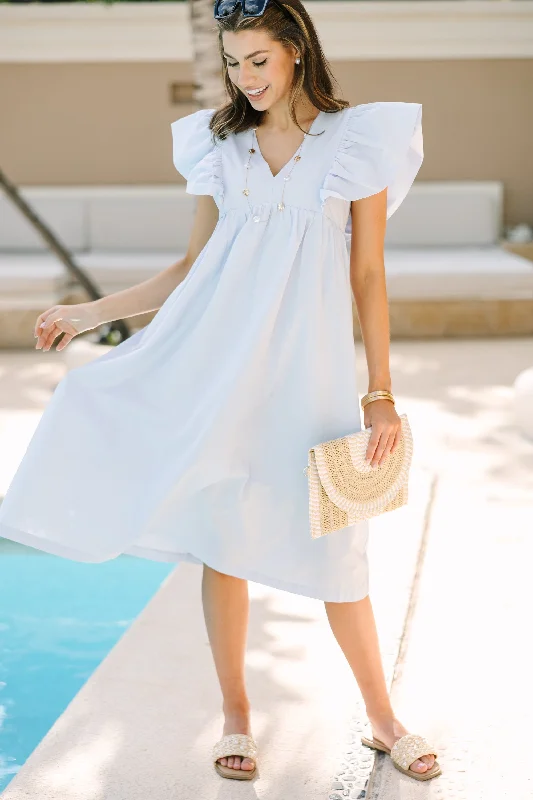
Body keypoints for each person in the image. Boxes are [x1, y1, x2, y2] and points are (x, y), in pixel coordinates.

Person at [0, 0, 441, 785]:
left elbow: (367, 277)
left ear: (295, 52)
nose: (246, 78)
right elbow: (190, 269)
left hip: (312, 379)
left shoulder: (356, 144)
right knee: (222, 540)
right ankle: (236, 715)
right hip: (215, 372)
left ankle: (382, 717)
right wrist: (89, 312)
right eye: (234, 62)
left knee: (341, 550)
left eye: (258, 61)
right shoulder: (219, 146)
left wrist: (380, 389)